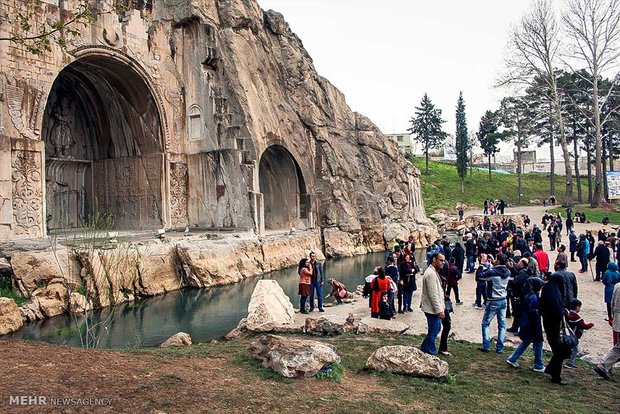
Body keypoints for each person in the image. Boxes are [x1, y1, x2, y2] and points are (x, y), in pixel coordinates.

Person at [506, 277, 545, 372]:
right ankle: (538, 364)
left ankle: (513, 358)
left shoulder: (527, 295)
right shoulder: (533, 297)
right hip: (533, 324)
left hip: (526, 322)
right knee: (538, 342)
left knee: (527, 342)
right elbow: (534, 313)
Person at [477, 253, 511, 353]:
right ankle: (500, 347)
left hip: (493, 300)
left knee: (485, 323)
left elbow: (480, 277)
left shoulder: (493, 272)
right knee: (502, 325)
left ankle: (486, 345)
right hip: (503, 299)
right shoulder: (508, 272)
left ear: (498, 261)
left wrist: (481, 265)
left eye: (496, 259)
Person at [539, 273, 569, 385]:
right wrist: (563, 312)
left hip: (548, 323)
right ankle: (555, 375)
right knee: (560, 351)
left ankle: (552, 371)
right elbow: (557, 311)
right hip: (555, 326)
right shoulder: (554, 295)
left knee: (558, 351)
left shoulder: (547, 290)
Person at [420, 252, 446, 355]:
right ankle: (431, 352)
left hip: (433, 308)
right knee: (433, 330)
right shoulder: (430, 273)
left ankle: (424, 347)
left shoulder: (432, 271)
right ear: (434, 260)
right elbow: (433, 294)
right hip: (432, 309)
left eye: (443, 260)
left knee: (436, 328)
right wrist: (439, 310)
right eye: (440, 260)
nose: (442, 262)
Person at [593, 283, 620, 379]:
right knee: (618, 349)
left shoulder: (617, 286)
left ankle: (605, 367)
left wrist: (612, 316)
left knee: (618, 347)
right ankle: (604, 366)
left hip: (617, 320)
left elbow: (611, 303)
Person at [565, 299, 594, 369]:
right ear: (577, 307)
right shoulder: (577, 317)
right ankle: (570, 363)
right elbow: (584, 326)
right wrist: (591, 324)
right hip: (574, 337)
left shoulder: (567, 315)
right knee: (575, 349)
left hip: (566, 335)